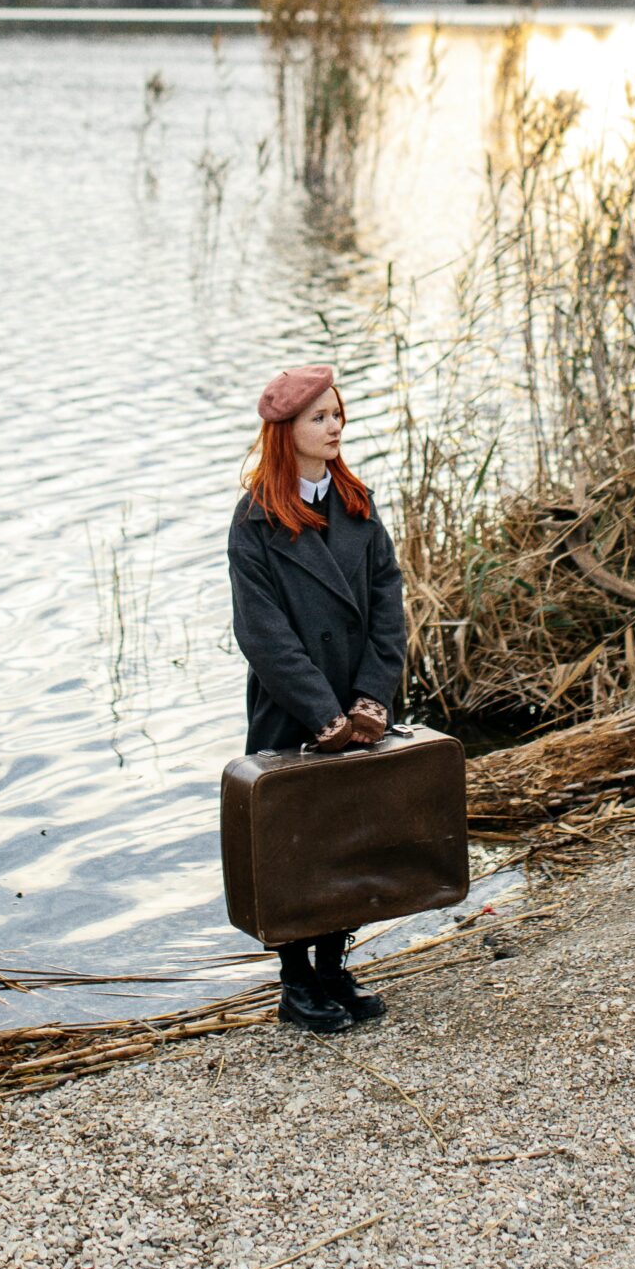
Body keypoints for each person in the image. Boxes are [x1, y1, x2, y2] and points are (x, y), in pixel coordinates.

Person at [227, 363, 406, 1035]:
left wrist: (371, 698)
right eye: (319, 418)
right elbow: (261, 632)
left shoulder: (355, 501)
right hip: (291, 705)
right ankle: (296, 982)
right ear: (287, 432)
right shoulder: (253, 522)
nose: (334, 427)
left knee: (349, 834)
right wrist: (321, 714)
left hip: (358, 701)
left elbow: (388, 599)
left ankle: (333, 966)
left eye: (337, 415)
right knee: (292, 838)